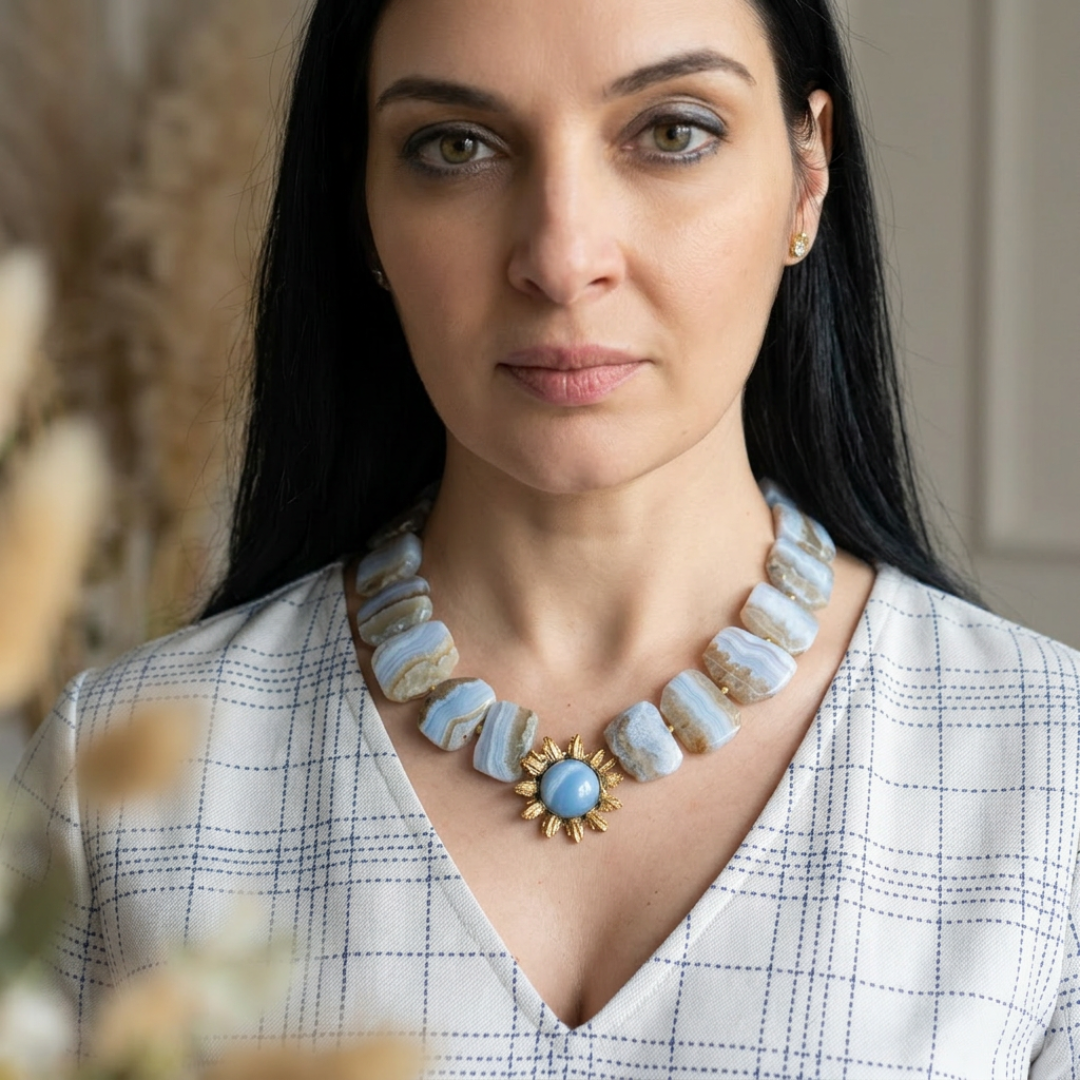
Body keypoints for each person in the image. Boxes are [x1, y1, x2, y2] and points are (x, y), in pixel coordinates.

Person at [6, 0, 1080, 1075]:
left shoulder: (1050, 771)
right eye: (456, 147)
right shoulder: (121, 785)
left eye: (673, 132)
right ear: (361, 205)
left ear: (808, 176)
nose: (563, 260)